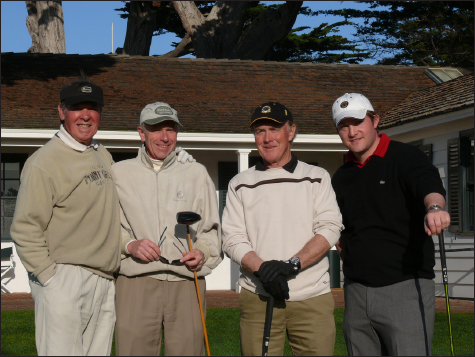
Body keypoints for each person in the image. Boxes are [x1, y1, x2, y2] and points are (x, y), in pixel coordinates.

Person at [331, 93, 451, 356]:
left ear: (375, 120)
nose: (352, 132)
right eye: (343, 126)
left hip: (405, 288)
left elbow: (428, 185)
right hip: (356, 292)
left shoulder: (405, 157)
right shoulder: (341, 176)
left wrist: (434, 208)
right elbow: (338, 224)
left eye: (357, 122)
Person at [222, 102, 344, 356]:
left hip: (312, 298)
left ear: (291, 132)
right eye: (260, 131)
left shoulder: (317, 177)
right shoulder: (240, 183)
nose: (267, 138)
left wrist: (292, 265)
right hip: (258, 296)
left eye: (275, 129)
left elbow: (330, 227)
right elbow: (232, 239)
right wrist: (264, 269)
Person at [10, 75, 120, 356]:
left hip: (104, 279)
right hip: (63, 278)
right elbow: (25, 228)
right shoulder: (44, 162)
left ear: (100, 113)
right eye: (76, 107)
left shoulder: (102, 155)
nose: (85, 115)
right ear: (61, 112)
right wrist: (50, 278)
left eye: (92, 107)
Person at [112, 101, 222, 356]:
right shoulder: (119, 173)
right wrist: (130, 245)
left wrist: (203, 251)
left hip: (187, 281)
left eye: (170, 129)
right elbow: (106, 228)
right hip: (135, 281)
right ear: (141, 133)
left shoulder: (196, 173)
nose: (164, 137)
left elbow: (212, 230)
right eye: (156, 129)